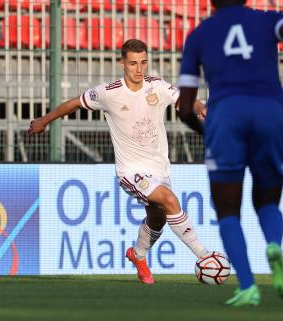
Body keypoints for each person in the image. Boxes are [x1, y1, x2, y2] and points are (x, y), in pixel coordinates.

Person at [178, 0, 283, 306]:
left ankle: (248, 285)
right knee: (267, 201)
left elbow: (185, 107)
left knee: (228, 211)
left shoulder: (199, 34)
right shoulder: (268, 21)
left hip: (226, 116)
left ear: (211, 2)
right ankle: (274, 246)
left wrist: (208, 132)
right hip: (271, 113)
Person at [29, 39, 210, 284]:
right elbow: (73, 103)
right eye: (133, 63)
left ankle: (138, 256)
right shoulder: (108, 93)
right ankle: (205, 256)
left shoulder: (156, 86)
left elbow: (184, 101)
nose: (139, 69)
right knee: (169, 200)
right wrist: (44, 120)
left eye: (143, 62)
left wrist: (200, 107)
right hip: (130, 171)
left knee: (157, 218)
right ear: (122, 63)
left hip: (160, 168)